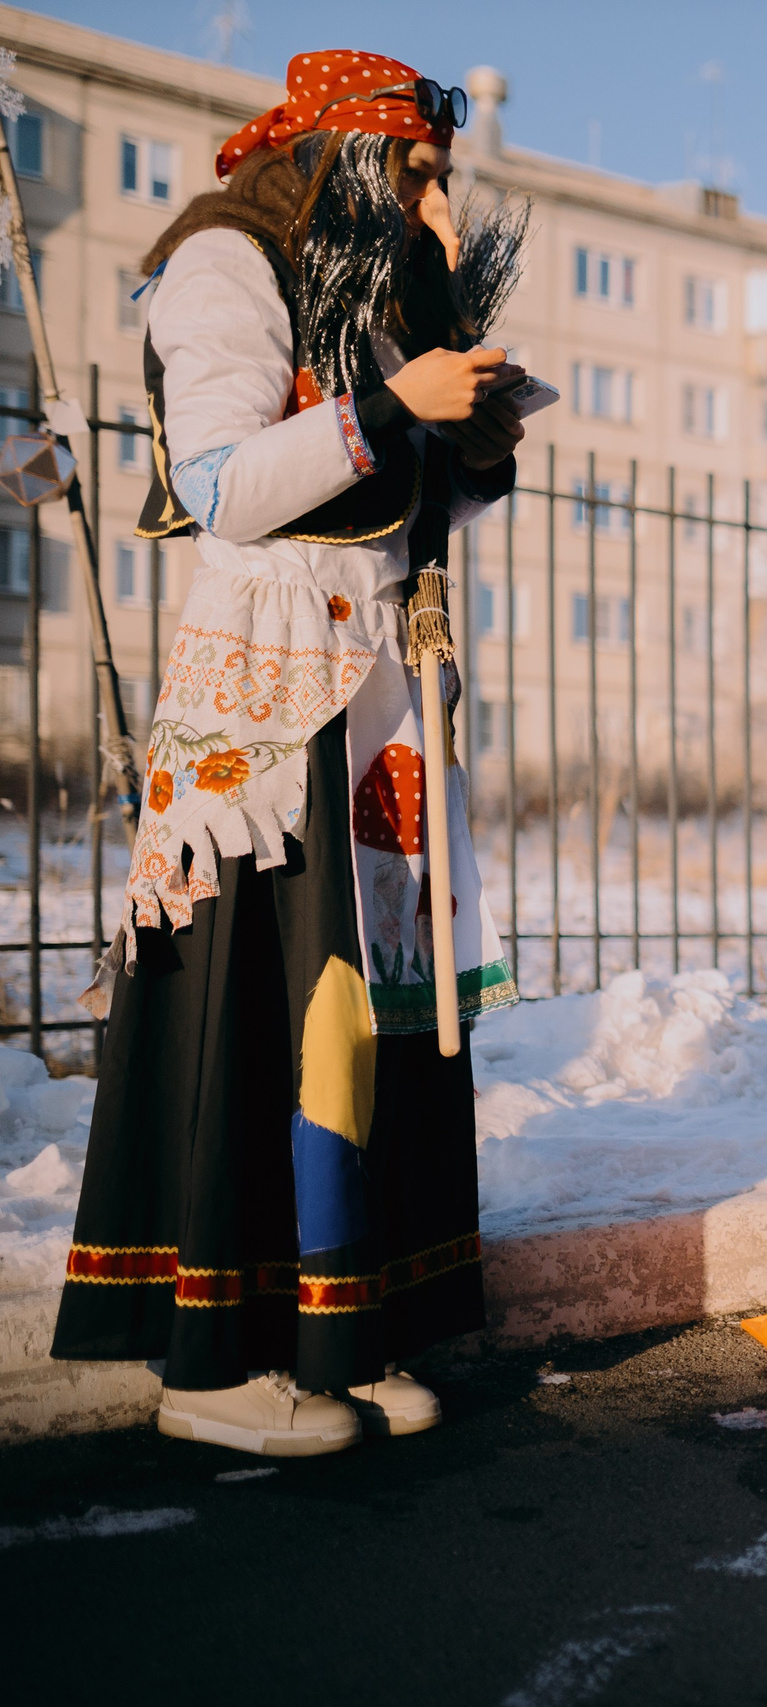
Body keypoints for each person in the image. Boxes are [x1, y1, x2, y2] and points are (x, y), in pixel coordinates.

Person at [51, 50, 527, 1456]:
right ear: (345, 156)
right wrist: (393, 407)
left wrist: (471, 439)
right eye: (419, 171)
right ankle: (214, 1360)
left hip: (371, 698)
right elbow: (220, 487)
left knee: (370, 1016)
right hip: (264, 714)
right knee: (269, 1004)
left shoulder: (371, 291)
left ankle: (346, 1322)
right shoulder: (224, 263)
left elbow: (398, 504)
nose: (436, 196)